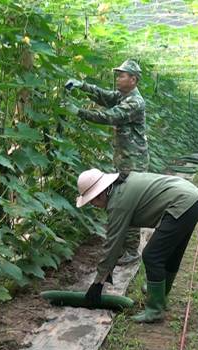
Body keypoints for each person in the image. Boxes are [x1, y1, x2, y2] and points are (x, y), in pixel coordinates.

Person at [76, 168, 198, 323]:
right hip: (194, 200)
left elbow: (113, 244)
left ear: (100, 193)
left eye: (91, 201)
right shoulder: (121, 188)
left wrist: (97, 283)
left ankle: (155, 310)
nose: (92, 205)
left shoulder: (118, 202)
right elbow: (121, 237)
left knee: (152, 255)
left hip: (182, 202)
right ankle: (161, 295)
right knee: (172, 254)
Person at [63, 59, 149, 265]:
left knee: (129, 204)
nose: (118, 79)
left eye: (122, 75)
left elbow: (109, 117)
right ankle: (123, 247)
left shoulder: (135, 102)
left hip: (133, 162)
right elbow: (104, 96)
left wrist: (79, 112)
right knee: (122, 201)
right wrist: (82, 86)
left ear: (133, 80)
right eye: (118, 75)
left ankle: (131, 250)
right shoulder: (123, 96)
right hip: (125, 160)